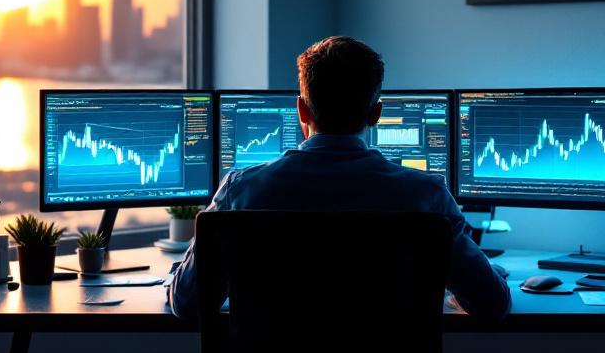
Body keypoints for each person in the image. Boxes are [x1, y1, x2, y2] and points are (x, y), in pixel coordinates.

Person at [168, 35, 511, 321]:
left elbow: (187, 305)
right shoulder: (426, 196)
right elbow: (492, 305)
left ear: (301, 110)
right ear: (376, 113)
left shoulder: (241, 191)